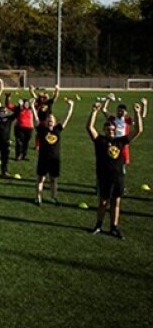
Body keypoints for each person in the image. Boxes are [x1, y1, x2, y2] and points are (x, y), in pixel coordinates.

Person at [87, 101, 143, 239]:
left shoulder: (121, 141)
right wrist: (94, 111)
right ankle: (98, 225)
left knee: (116, 202)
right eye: (108, 129)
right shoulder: (100, 140)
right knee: (103, 202)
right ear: (104, 130)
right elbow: (89, 127)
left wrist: (137, 113)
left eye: (112, 129)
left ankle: (114, 227)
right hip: (104, 176)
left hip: (118, 177)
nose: (110, 131)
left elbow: (138, 130)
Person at [31, 97, 75, 205]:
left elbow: (66, 117)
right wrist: (32, 106)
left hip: (55, 159)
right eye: (48, 120)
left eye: (52, 120)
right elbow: (36, 119)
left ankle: (53, 197)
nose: (50, 122)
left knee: (53, 179)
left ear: (54, 122)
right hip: (43, 158)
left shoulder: (57, 129)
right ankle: (38, 198)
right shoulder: (41, 130)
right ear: (45, 122)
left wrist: (70, 106)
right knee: (41, 178)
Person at [101, 96, 148, 168]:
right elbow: (104, 110)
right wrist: (107, 99)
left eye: (122, 111)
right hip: (113, 142)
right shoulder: (112, 119)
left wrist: (144, 105)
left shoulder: (127, 120)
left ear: (126, 112)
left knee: (122, 163)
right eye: (118, 111)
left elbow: (141, 116)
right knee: (110, 160)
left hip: (123, 143)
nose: (119, 112)